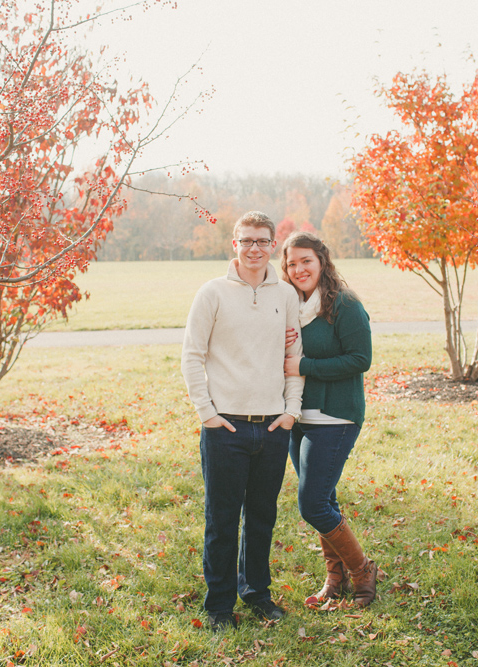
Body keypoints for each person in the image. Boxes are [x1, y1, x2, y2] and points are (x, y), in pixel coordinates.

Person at [181, 211, 304, 631]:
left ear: (273, 244)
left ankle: (256, 593)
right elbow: (192, 355)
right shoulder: (212, 293)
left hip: (272, 426)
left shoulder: (285, 295)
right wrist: (207, 413)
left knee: (262, 516)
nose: (255, 248)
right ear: (234, 244)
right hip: (225, 428)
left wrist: (291, 411)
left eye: (262, 241)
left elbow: (294, 360)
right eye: (246, 240)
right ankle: (219, 605)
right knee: (222, 519)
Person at [280, 231, 376, 607]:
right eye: (292, 263)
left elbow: (360, 359)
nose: (299, 268)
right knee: (326, 498)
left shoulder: (344, 304)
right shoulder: (291, 306)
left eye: (306, 260)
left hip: (335, 416)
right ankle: (334, 578)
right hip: (298, 416)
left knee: (313, 502)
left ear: (322, 261)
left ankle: (362, 570)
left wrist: (303, 365)